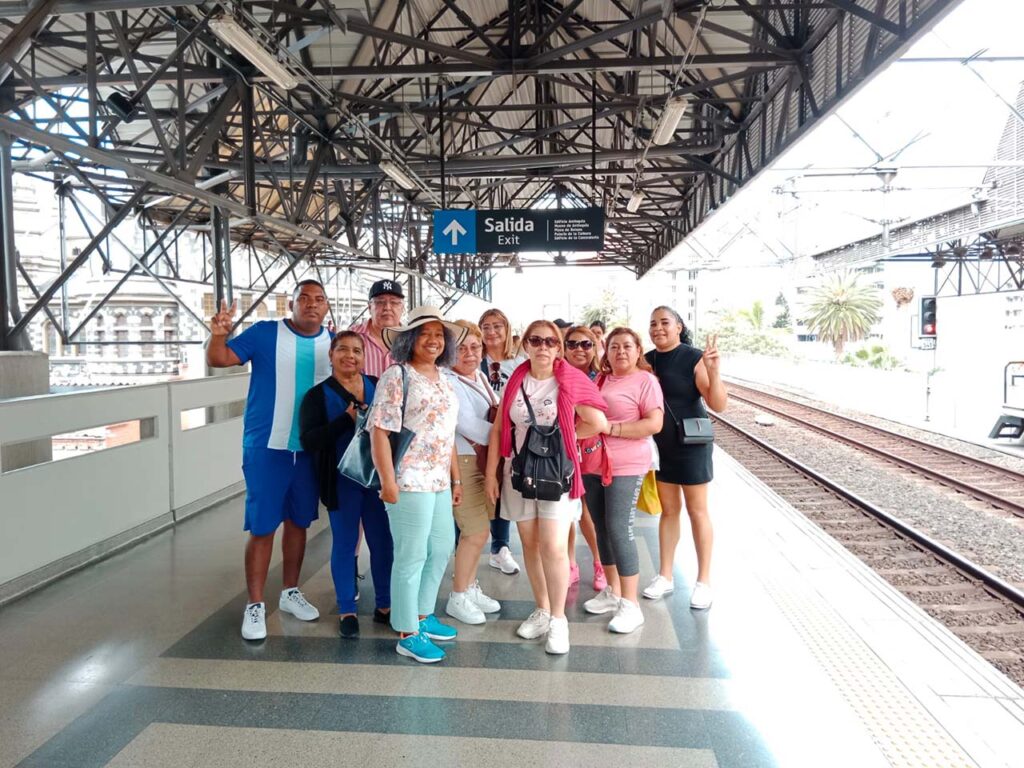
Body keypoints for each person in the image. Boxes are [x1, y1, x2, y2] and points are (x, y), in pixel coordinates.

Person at [206, 280, 332, 641]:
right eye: (303, 299)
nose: (311, 304)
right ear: (290, 304)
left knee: (298, 523)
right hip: (266, 446)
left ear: (327, 307)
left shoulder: (333, 342)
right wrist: (217, 335)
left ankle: (290, 592)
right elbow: (220, 359)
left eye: (318, 299)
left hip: (309, 450)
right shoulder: (264, 334)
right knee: (262, 527)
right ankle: (255, 604)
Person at [485, 320, 608, 655]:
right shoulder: (516, 380)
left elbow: (597, 423)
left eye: (551, 342)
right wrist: (491, 474)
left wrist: (562, 440)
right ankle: (541, 608)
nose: (543, 347)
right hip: (519, 471)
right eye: (536, 340)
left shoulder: (568, 379)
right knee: (530, 543)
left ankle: (558, 620)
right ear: (525, 344)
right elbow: (499, 429)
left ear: (558, 347)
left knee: (553, 546)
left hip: (556, 473)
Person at [370, 306, 467, 663]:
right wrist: (387, 481)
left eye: (439, 334)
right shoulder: (397, 376)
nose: (433, 340)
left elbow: (447, 433)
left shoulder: (445, 378)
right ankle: (407, 631)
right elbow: (379, 431)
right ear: (410, 338)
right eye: (425, 333)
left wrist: (455, 478)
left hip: (439, 478)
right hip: (408, 479)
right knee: (411, 555)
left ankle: (424, 615)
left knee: (441, 547)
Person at [299, 332, 392, 638]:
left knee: (382, 542)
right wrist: (345, 420)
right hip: (341, 482)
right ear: (331, 355)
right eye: (342, 349)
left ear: (364, 357)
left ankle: (385, 606)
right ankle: (346, 609)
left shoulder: (377, 386)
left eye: (356, 350)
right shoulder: (317, 396)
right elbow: (310, 440)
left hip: (376, 479)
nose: (349, 355)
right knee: (345, 542)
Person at [644, 306, 727, 609]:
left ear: (678, 326)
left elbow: (718, 403)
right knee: (668, 511)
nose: (658, 328)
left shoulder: (693, 357)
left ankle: (703, 581)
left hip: (692, 444)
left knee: (697, 512)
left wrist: (715, 372)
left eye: (665, 322)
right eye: (653, 324)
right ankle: (665, 576)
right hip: (661, 446)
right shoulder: (647, 360)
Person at [581, 328, 664, 633]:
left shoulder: (645, 381)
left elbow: (654, 423)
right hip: (594, 461)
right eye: (614, 346)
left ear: (638, 349)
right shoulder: (601, 379)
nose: (620, 352)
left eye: (627, 346)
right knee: (601, 526)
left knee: (619, 527)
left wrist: (611, 429)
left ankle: (631, 604)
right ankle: (613, 591)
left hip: (627, 464)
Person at [443, 320, 502, 624]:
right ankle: (457, 596)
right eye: (460, 348)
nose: (468, 353)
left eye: (475, 347)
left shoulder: (479, 376)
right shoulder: (447, 380)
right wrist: (506, 434)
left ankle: (469, 586)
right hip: (463, 463)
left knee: (480, 531)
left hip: (481, 460)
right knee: (474, 531)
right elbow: (463, 423)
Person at [478, 308, 523, 576]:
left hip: (511, 433)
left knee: (504, 487)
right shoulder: (474, 358)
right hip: (479, 434)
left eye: (497, 326)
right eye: (486, 326)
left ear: (506, 329)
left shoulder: (518, 361)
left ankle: (500, 547)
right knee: (479, 487)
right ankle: (466, 547)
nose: (492, 332)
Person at [562, 325, 607, 592]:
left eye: (586, 344)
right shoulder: (556, 376)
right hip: (562, 452)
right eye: (573, 344)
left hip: (592, 451)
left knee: (589, 512)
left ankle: (599, 562)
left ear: (595, 347)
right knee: (566, 511)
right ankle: (570, 563)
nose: (580, 349)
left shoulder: (602, 377)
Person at [351, 279, 405, 377]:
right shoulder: (351, 336)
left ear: (402, 308)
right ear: (369, 307)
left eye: (394, 302)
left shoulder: (413, 340)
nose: (387, 307)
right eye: (380, 302)